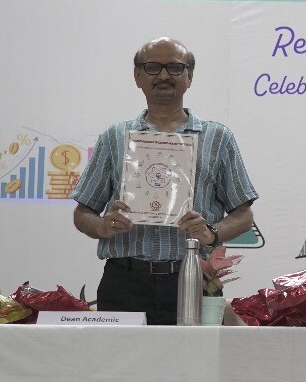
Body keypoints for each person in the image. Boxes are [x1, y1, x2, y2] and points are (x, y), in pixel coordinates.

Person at [71, 37, 258, 324]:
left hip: (193, 278)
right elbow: (82, 213)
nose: (163, 76)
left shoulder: (218, 138)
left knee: (194, 355)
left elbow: (244, 215)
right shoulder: (114, 137)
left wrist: (211, 232)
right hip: (125, 281)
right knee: (122, 355)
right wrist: (101, 226)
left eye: (174, 67)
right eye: (152, 67)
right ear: (137, 76)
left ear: (189, 76)